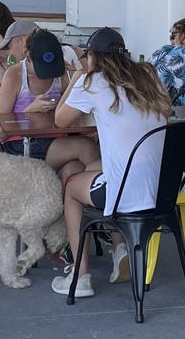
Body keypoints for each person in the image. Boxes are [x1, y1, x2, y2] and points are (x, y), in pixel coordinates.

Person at [51, 27, 172, 297]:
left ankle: (80, 277)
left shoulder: (92, 81)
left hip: (125, 194)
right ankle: (119, 248)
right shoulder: (149, 77)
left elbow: (60, 119)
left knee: (71, 184)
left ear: (93, 57)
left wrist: (78, 77)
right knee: (86, 167)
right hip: (160, 191)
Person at [0, 26, 100, 182]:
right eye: (43, 68)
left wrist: (74, 80)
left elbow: (71, 112)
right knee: (86, 147)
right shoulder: (14, 76)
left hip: (57, 140)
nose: (48, 73)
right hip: (22, 144)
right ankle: (107, 196)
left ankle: (64, 204)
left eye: (52, 67)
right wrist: (29, 111)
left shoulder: (61, 72)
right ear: (28, 57)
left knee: (73, 170)